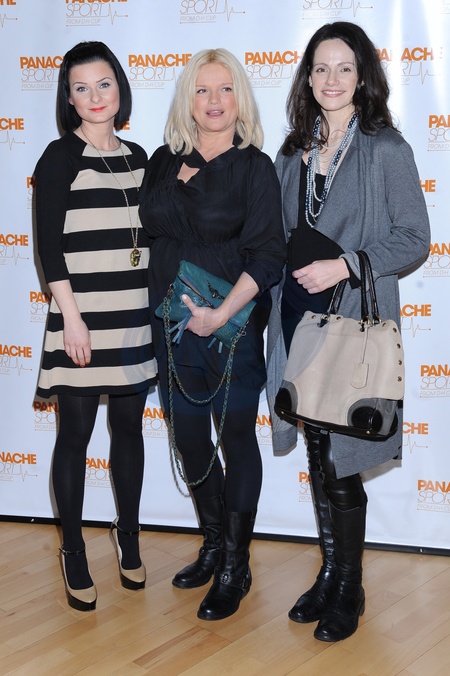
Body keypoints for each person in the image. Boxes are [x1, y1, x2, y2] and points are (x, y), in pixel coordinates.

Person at [267, 22, 430, 642]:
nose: (330, 79)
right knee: (317, 451)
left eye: (343, 68)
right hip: (297, 318)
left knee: (342, 459)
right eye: (320, 68)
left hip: (353, 324)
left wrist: (347, 264)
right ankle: (331, 571)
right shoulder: (292, 153)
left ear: (362, 77)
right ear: (307, 78)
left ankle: (349, 587)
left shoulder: (385, 149)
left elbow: (414, 238)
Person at [139, 48, 286, 621]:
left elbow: (268, 253)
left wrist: (219, 314)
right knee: (190, 439)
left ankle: (235, 566)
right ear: (188, 100)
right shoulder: (161, 160)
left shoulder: (255, 168)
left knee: (236, 440)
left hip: (231, 328)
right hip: (173, 326)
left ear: (240, 98)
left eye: (225, 89)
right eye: (202, 90)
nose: (214, 101)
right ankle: (213, 542)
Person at [34, 41, 157, 611]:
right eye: (80, 88)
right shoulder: (60, 157)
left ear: (119, 88)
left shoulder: (140, 158)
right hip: (79, 320)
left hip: (132, 318)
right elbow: (48, 249)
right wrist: (72, 320)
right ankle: (73, 551)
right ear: (69, 98)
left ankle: (128, 537)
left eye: (103, 83)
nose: (94, 96)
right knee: (75, 436)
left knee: (128, 431)